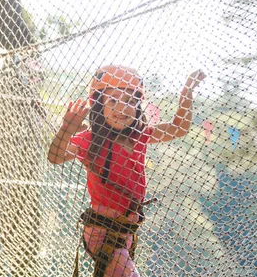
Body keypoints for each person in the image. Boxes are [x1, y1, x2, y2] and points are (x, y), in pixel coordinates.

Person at [48, 65, 205, 277]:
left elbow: (179, 128)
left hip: (126, 231)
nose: (123, 108)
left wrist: (187, 92)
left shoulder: (139, 136)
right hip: (102, 231)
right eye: (113, 100)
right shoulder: (90, 139)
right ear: (98, 105)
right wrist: (67, 127)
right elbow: (56, 157)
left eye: (131, 101)